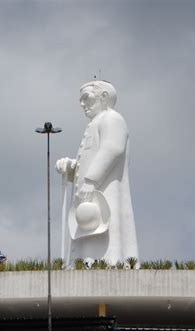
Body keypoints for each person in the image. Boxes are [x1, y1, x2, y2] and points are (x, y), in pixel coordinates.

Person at [56, 80, 139, 266]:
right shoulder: (96, 123)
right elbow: (90, 158)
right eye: (81, 101)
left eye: (87, 98)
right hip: (88, 195)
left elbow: (112, 148)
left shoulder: (112, 118)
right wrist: (71, 168)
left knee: (105, 238)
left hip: (104, 191)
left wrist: (91, 181)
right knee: (88, 239)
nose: (83, 105)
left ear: (103, 97)